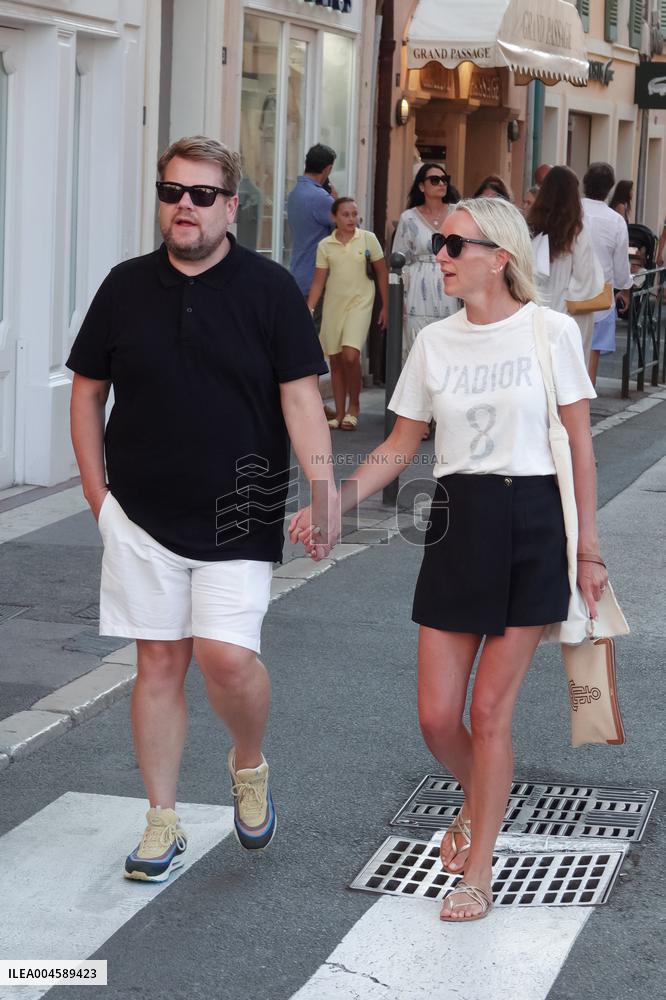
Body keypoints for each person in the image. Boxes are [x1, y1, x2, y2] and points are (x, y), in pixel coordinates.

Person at [291, 197, 606, 922]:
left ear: (498, 256)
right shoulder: (433, 342)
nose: (439, 255)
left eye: (452, 244)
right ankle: (482, 795)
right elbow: (402, 448)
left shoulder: (550, 332)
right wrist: (335, 502)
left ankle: (480, 868)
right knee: (439, 717)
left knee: (490, 712)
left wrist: (587, 547)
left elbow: (579, 444)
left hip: (532, 524)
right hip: (457, 521)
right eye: (439, 243)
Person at [67, 135, 339, 882]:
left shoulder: (269, 289)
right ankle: (162, 820)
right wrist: (98, 495)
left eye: (201, 195)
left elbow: (300, 398)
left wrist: (322, 491)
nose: (183, 206)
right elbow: (88, 391)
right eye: (171, 193)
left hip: (239, 509)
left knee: (225, 659)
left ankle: (247, 763)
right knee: (157, 663)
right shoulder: (124, 286)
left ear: (233, 207)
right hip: (140, 513)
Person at [307, 197, 388, 430]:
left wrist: (386, 307)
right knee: (335, 358)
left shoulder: (368, 239)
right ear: (334, 217)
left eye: (354, 214)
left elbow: (382, 273)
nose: (352, 219)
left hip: (361, 302)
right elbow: (318, 282)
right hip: (334, 305)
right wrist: (309, 309)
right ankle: (340, 413)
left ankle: (355, 406)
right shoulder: (325, 245)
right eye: (346, 214)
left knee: (350, 355)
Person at [528, 165, 604, 360]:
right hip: (568, 314)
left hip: (537, 310)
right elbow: (585, 276)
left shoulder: (532, 227)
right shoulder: (576, 232)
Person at [392, 163, 460, 364]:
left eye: (444, 179)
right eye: (434, 180)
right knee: (417, 347)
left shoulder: (458, 213)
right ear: (422, 186)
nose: (441, 184)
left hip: (450, 285)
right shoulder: (409, 218)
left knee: (449, 343)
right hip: (417, 290)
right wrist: (400, 297)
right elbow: (399, 259)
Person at [582, 163, 632, 386]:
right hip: (599, 298)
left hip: (567, 294)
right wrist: (625, 289)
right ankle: (583, 415)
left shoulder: (571, 212)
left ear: (584, 184)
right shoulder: (616, 221)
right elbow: (621, 268)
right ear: (610, 188)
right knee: (591, 359)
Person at [286, 143, 337, 300]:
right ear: (327, 169)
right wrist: (336, 200)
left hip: (297, 272)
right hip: (315, 278)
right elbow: (348, 228)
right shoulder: (321, 198)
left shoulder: (295, 193)